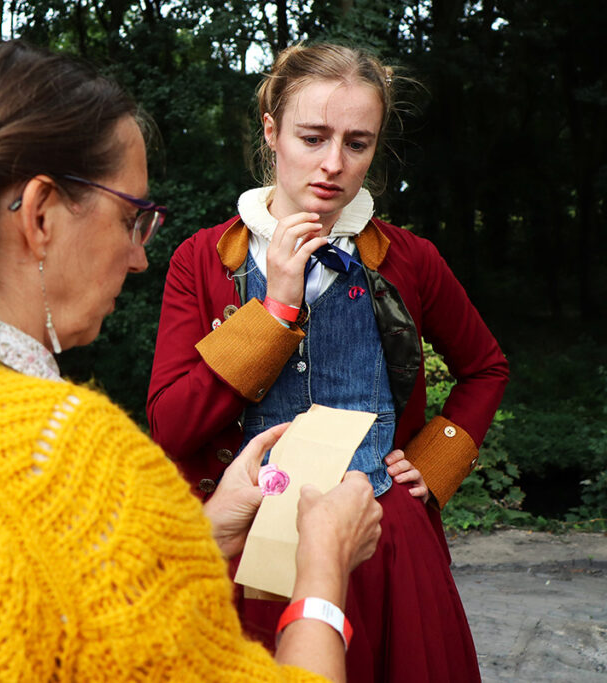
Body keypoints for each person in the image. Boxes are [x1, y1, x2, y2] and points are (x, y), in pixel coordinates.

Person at [0, 40, 384, 683]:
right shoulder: (70, 450)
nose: (138, 257)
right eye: (133, 217)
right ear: (40, 216)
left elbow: (36, 611)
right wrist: (321, 567)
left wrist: (199, 535)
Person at [147, 42, 510, 682]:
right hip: (246, 547)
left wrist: (436, 457)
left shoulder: (410, 258)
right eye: (313, 137)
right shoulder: (201, 260)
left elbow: (485, 367)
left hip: (387, 544)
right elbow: (172, 425)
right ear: (272, 132)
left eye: (358, 143)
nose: (334, 165)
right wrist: (276, 308)